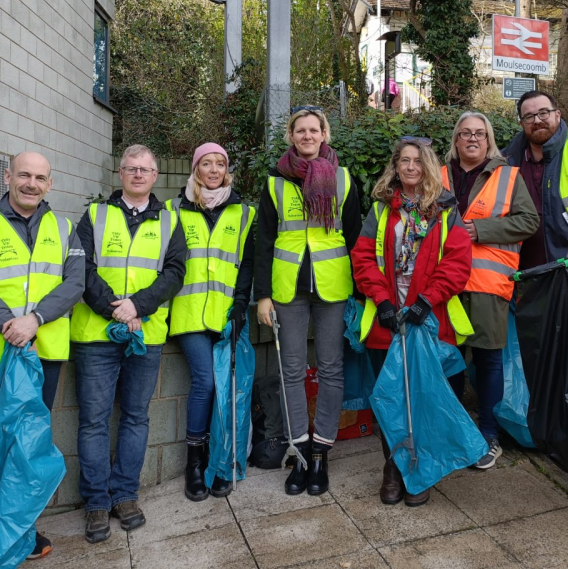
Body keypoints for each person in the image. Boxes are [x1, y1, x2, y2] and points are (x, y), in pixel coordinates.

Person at [0, 151, 84, 569]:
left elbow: (75, 284)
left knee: (27, 446)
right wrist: (14, 325)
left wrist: (36, 320)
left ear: (50, 183)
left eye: (40, 177)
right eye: (24, 175)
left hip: (42, 353)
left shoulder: (65, 229)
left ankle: (19, 530)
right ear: (8, 176)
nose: (31, 183)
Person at [71, 144, 186, 543]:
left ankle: (125, 495)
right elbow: (80, 268)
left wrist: (138, 306)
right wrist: (114, 309)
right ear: (120, 174)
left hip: (145, 334)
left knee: (136, 417)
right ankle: (97, 502)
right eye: (131, 168)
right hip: (95, 336)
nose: (138, 174)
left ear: (156, 176)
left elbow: (175, 273)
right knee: (94, 421)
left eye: (146, 169)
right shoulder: (95, 215)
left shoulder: (171, 221)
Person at [351, 137, 473, 507]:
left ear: (429, 167)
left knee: (422, 397)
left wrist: (426, 301)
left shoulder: (446, 211)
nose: (410, 168)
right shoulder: (381, 210)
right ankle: (393, 468)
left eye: (417, 162)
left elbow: (457, 262)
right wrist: (383, 301)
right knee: (390, 399)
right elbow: (362, 258)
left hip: (428, 319)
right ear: (395, 166)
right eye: (403, 161)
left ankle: (420, 470)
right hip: (388, 322)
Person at [255, 106, 362, 496]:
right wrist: (262, 296)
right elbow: (264, 241)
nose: (307, 136)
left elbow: (353, 239)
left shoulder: (344, 179)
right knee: (292, 371)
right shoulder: (275, 183)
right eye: (300, 130)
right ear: (291, 136)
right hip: (288, 289)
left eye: (313, 130)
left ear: (324, 134)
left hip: (332, 286)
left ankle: (322, 453)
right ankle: (299, 452)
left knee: (332, 369)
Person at [442, 112, 539, 469]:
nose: (472, 139)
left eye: (479, 134)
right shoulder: (437, 174)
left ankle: (488, 435)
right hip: (443, 285)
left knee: (488, 361)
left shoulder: (508, 176)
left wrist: (480, 231)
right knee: (448, 359)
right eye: (465, 133)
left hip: (486, 284)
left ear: (489, 140)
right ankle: (451, 431)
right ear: (455, 139)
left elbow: (528, 221)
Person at [165, 143, 255, 501]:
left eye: (220, 163)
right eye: (207, 163)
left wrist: (240, 306)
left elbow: (247, 263)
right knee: (205, 381)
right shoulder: (174, 210)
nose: (214, 169)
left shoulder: (243, 212)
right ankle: (195, 463)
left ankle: (222, 461)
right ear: (195, 169)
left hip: (226, 313)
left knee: (227, 386)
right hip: (188, 313)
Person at [503, 90, 568, 270]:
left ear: (558, 115)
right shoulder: (507, 160)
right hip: (519, 270)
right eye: (529, 116)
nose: (537, 120)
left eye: (544, 113)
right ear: (521, 123)